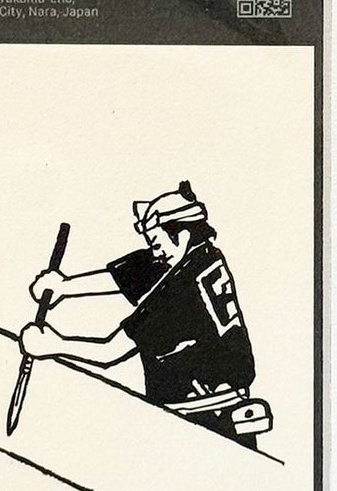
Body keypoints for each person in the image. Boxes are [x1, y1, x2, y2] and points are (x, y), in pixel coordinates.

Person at [20, 182, 273, 448]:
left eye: (157, 243)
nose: (156, 252)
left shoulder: (177, 294)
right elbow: (140, 270)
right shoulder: (206, 257)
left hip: (200, 421)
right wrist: (63, 286)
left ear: (182, 234)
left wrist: (51, 345)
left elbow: (108, 352)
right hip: (225, 405)